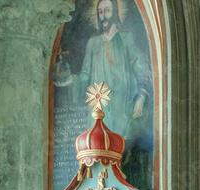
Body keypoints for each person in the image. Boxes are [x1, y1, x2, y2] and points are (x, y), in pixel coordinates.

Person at [53, 0, 151, 141]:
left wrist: (141, 97)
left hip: (122, 104)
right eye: (100, 12)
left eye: (107, 11)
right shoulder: (93, 43)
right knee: (97, 147)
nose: (103, 16)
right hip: (98, 105)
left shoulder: (126, 38)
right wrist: (70, 80)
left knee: (118, 146)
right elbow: (85, 75)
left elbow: (140, 67)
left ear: (115, 12)